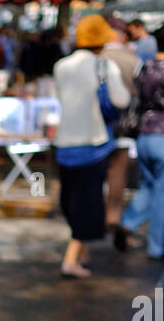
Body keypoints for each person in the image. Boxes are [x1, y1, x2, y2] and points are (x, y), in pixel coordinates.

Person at [52, 14, 129, 278]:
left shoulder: (61, 66)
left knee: (71, 201)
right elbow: (121, 100)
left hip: (64, 143)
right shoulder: (104, 67)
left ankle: (80, 253)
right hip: (93, 143)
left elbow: (59, 98)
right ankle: (70, 260)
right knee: (86, 204)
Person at [117, 20, 164, 261]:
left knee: (149, 187)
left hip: (144, 134)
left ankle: (127, 223)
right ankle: (158, 246)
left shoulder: (146, 66)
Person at [101, 14, 141, 237]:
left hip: (97, 126)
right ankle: (112, 218)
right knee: (117, 175)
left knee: (98, 174)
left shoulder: (97, 57)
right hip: (124, 127)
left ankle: (97, 216)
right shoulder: (133, 60)